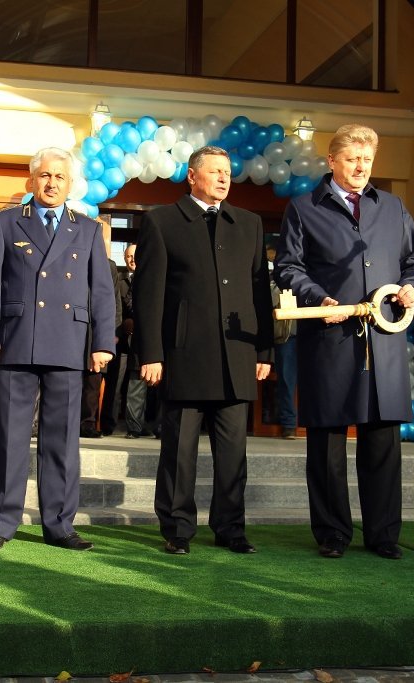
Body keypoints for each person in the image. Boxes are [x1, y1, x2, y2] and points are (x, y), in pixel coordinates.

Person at [274, 124, 414, 561]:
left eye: (367, 160)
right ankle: (332, 534)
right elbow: (288, 267)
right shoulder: (303, 208)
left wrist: (413, 287)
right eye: (352, 159)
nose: (361, 167)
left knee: (382, 441)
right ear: (332, 161)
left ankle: (383, 535)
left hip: (384, 338)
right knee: (327, 443)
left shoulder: (393, 206)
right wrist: (318, 297)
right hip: (330, 338)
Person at [0, 147, 115, 551]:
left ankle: (59, 525)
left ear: (71, 185)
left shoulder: (87, 229)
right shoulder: (5, 222)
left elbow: (102, 291)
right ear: (31, 181)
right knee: (9, 438)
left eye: (60, 177)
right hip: (17, 339)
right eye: (46, 176)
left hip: (68, 341)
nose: (52, 183)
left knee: (63, 441)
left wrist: (103, 342)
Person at [134, 145, 274, 555]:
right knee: (179, 454)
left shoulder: (248, 223)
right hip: (183, 356)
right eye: (214, 171)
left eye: (227, 172)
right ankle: (177, 529)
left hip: (237, 356)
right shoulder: (162, 221)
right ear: (192, 176)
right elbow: (148, 294)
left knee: (233, 455)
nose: (224, 178)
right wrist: (152, 353)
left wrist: (264, 351)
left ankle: (231, 529)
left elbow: (259, 292)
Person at [80, 218, 122, 438]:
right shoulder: (72, 257)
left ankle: (87, 423)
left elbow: (113, 301)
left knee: (93, 379)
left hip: (97, 330)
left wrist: (111, 333)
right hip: (74, 327)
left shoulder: (109, 266)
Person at [121, 243, 158, 439]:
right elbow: (129, 301)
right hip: (141, 336)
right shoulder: (138, 277)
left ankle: (158, 427)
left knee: (160, 388)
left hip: (161, 337)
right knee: (136, 385)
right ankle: (134, 427)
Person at [100, 242, 132, 436]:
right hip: (116, 340)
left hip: (135, 344)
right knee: (109, 385)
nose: (131, 260)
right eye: (128, 256)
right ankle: (104, 423)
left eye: (134, 256)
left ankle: (134, 425)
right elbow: (115, 306)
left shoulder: (149, 278)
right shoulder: (118, 279)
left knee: (127, 387)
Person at [267, 244, 298, 439]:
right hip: (286, 335)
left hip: (312, 334)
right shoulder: (274, 278)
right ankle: (289, 424)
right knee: (286, 380)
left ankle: (311, 422)